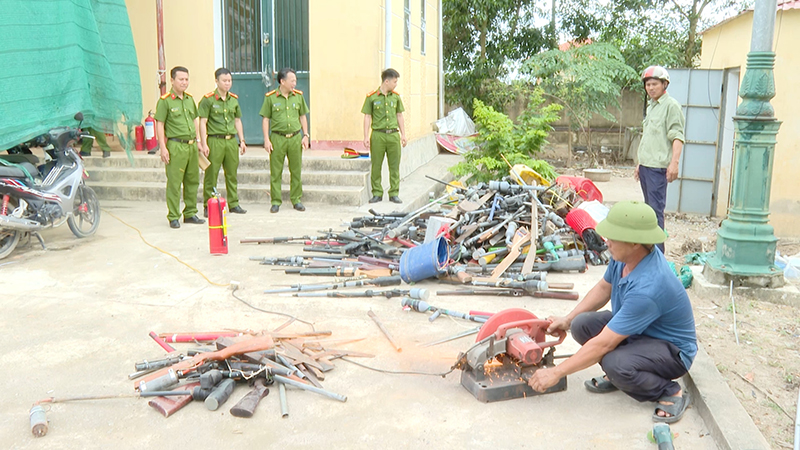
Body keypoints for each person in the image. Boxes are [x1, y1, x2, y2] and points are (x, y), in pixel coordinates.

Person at [528, 201, 697, 424]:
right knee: (581, 324)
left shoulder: (650, 287)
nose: (606, 241)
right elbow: (603, 288)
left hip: (670, 351)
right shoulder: (625, 257)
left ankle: (668, 390)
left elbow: (604, 345)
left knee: (615, 363)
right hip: (641, 333)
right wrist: (568, 319)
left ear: (636, 242)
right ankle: (624, 376)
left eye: (613, 237)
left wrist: (556, 372)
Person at [636, 65, 685, 253]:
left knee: (656, 213)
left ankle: (657, 255)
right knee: (648, 212)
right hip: (646, 167)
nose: (650, 88)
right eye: (648, 84)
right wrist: (639, 164)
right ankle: (648, 251)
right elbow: (650, 138)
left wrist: (674, 163)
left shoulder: (671, 106)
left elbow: (677, 136)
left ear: (665, 84)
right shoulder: (652, 107)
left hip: (658, 169)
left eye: (654, 84)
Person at [154, 66, 205, 229]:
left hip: (191, 146)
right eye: (181, 79)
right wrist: (163, 147)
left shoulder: (190, 100)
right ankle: (174, 216)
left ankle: (190, 213)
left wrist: (198, 141)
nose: (184, 82)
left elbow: (195, 120)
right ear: (172, 80)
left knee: (192, 181)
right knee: (175, 182)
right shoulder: (165, 101)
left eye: (186, 79)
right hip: (175, 146)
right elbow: (160, 124)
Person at [198, 68, 247, 218]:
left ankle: (233, 203)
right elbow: (203, 122)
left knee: (232, 173)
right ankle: (208, 204)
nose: (227, 84)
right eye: (224, 81)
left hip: (231, 141)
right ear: (216, 81)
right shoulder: (208, 100)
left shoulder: (233, 99)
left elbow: (237, 120)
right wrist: (204, 143)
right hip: (215, 140)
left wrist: (242, 140)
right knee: (211, 174)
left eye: (229, 81)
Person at [259, 67, 309, 213]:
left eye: (295, 80)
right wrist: (266, 140)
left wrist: (306, 135)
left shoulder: (298, 96)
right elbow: (265, 119)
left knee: (296, 170)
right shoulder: (271, 97)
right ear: (282, 81)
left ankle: (296, 200)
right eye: (292, 80)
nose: (295, 83)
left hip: (295, 137)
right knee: (276, 171)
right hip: (277, 138)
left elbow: (302, 116)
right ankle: (275, 201)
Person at [362, 68, 406, 204]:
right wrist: (365, 136)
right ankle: (377, 193)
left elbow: (400, 115)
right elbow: (367, 117)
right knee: (376, 165)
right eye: (394, 81)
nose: (396, 84)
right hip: (378, 135)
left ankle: (394, 193)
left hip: (393, 135)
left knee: (394, 166)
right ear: (386, 81)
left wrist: (403, 134)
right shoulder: (372, 97)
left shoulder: (396, 97)